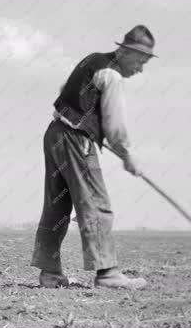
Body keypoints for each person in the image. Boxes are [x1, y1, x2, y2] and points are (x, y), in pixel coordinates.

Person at [31, 26, 156, 289]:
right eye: (140, 61)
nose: (141, 69)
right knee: (96, 204)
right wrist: (127, 155)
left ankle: (49, 273)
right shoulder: (112, 75)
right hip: (76, 140)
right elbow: (115, 126)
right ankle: (107, 273)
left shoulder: (92, 60)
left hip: (55, 133)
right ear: (125, 51)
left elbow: (66, 88)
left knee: (57, 206)